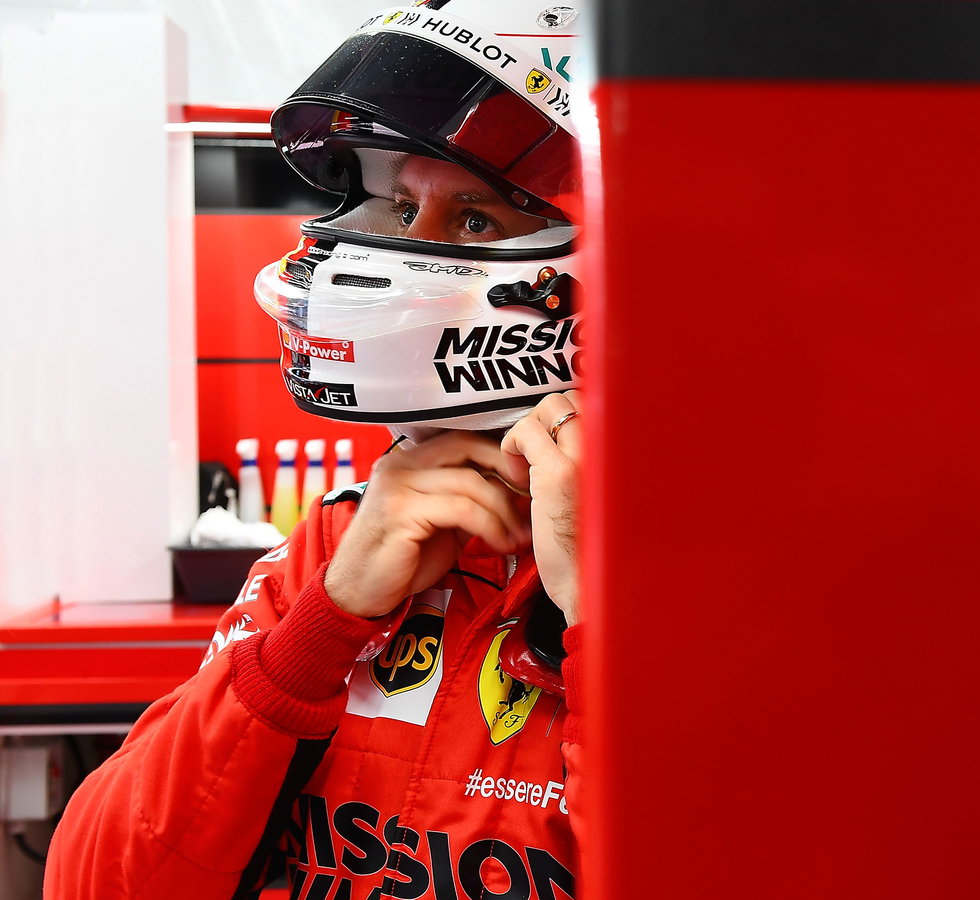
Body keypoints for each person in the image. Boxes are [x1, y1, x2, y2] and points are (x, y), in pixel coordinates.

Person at [46, 2, 591, 897]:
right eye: (401, 206)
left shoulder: (714, 585)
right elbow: (96, 883)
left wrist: (602, 631)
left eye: (475, 220)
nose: (402, 249)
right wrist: (322, 628)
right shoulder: (342, 542)